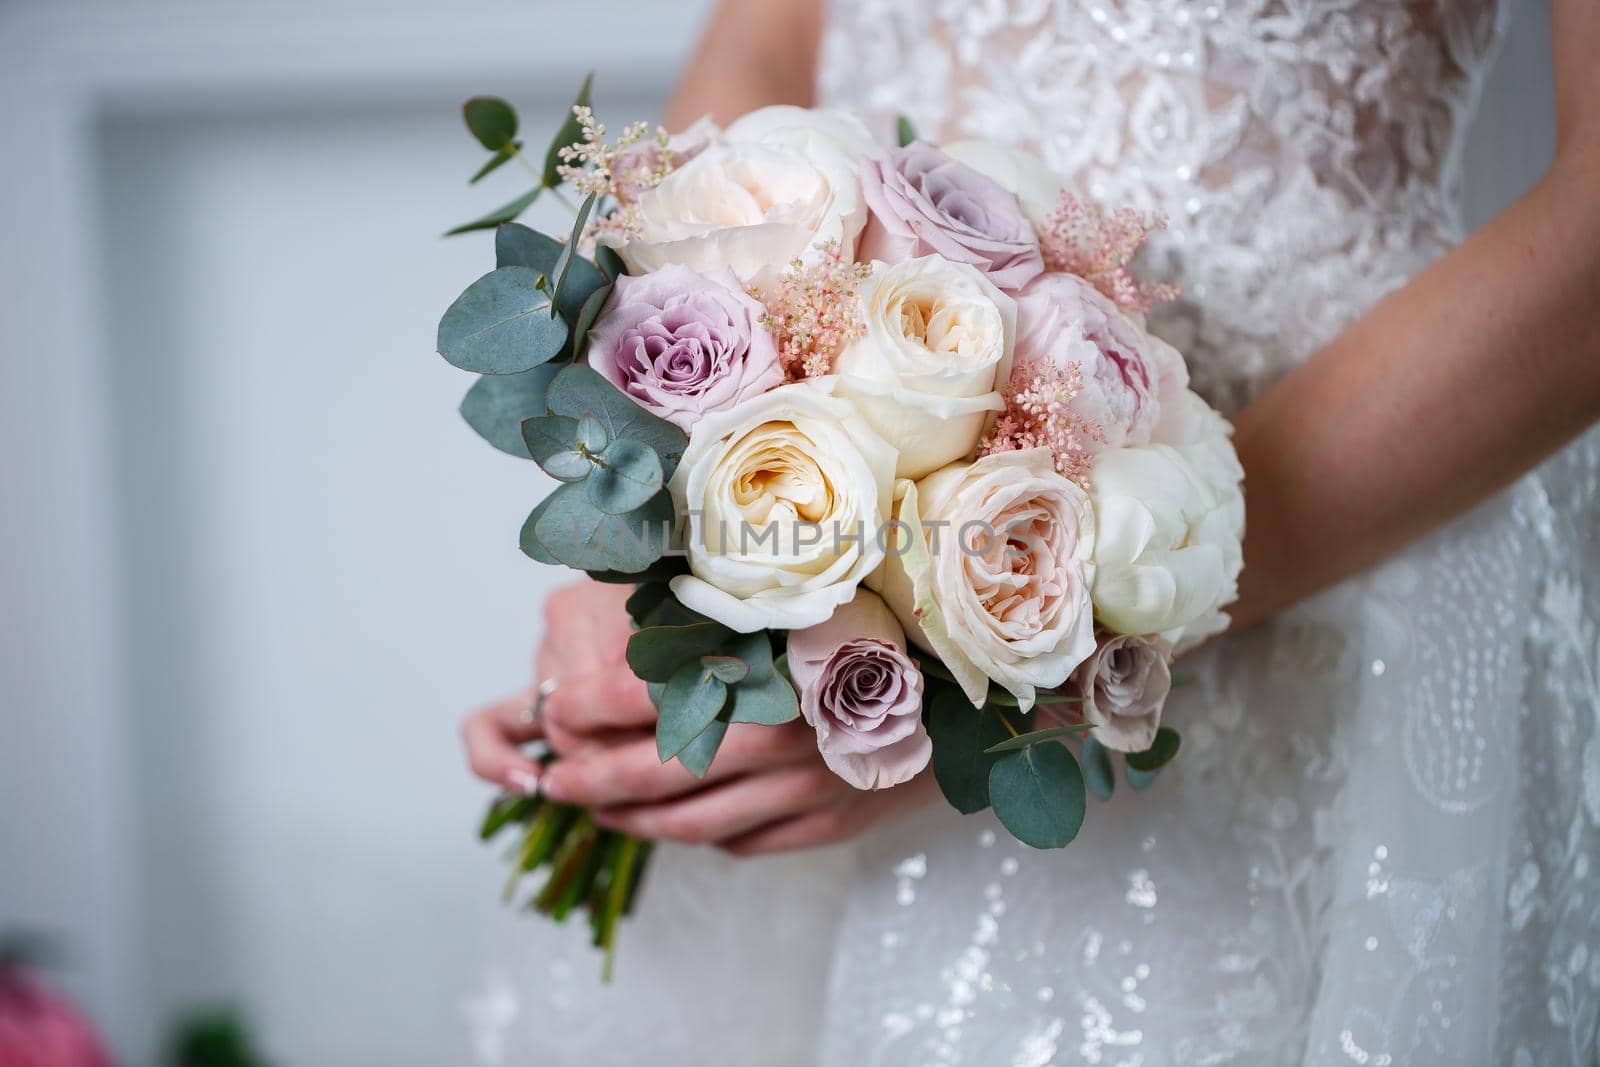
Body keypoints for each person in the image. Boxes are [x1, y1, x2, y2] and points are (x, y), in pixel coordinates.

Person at [462, 1, 1600, 1062]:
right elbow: (769, 39)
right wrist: (669, 521)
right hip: (807, 549)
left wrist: (1042, 642)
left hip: (1333, 538)